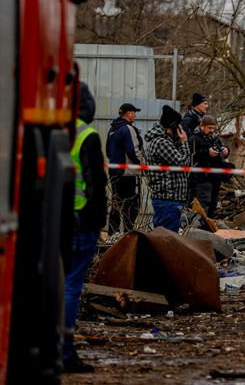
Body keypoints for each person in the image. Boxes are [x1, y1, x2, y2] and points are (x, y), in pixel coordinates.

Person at [63, 83, 108, 373]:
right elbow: (96, 186)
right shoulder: (86, 135)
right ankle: (65, 352)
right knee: (70, 288)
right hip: (80, 221)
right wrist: (98, 222)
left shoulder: (47, 126)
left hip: (53, 221)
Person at [144, 105, 190, 233]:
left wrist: (179, 143)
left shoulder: (168, 142)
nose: (182, 129)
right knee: (165, 241)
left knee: (167, 240)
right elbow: (183, 163)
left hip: (171, 201)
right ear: (174, 126)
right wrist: (184, 142)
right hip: (167, 200)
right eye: (180, 125)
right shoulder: (162, 143)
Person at [106, 102, 144, 234]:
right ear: (128, 113)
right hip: (128, 174)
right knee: (132, 207)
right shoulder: (128, 129)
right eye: (134, 112)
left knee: (116, 206)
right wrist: (142, 165)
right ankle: (129, 234)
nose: (135, 116)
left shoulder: (112, 130)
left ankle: (113, 235)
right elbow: (134, 151)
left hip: (115, 173)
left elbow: (107, 152)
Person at [188, 114, 230, 218]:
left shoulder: (215, 138)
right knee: (203, 204)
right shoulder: (194, 139)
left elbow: (221, 150)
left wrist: (226, 150)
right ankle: (199, 227)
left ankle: (208, 226)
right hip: (201, 179)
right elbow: (191, 157)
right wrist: (207, 152)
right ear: (202, 126)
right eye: (209, 128)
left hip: (215, 177)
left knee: (213, 204)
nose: (211, 130)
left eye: (213, 128)